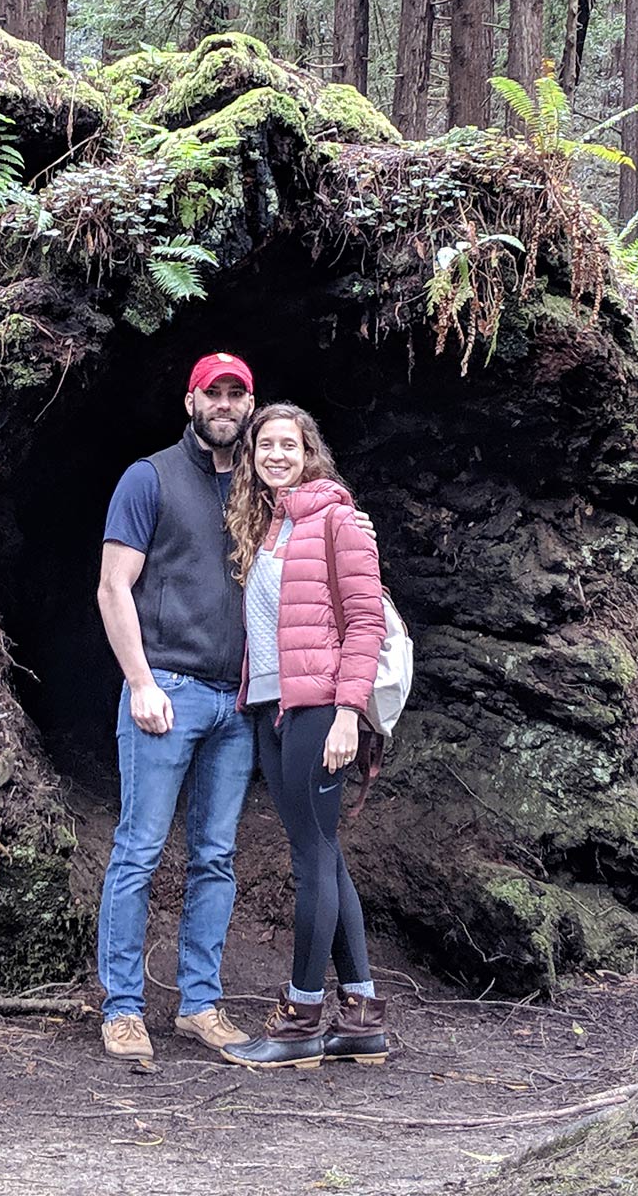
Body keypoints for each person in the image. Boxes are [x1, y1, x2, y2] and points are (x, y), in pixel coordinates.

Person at [95, 352, 258, 1062]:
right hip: (169, 691)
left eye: (236, 393)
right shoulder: (148, 478)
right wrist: (140, 682)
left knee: (216, 857)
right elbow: (112, 587)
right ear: (190, 401)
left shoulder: (261, 489)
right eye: (211, 392)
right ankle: (123, 1008)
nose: (224, 403)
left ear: (250, 405)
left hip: (239, 703)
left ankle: (200, 1004)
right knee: (138, 852)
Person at [219, 403, 389, 1070]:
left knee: (311, 856)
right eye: (266, 446)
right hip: (270, 708)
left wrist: (348, 713)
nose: (277, 455)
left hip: (319, 710)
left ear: (309, 451)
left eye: (289, 445)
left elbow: (366, 625)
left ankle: (300, 1020)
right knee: (323, 851)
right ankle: (363, 1016)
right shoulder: (265, 525)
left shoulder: (337, 521)